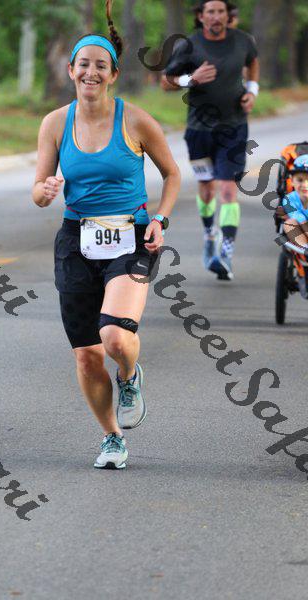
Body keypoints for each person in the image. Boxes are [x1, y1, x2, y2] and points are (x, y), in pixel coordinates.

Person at [32, 0, 180, 469]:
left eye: (101, 65)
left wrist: (160, 219)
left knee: (115, 337)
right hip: (76, 240)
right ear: (70, 70)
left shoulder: (135, 120)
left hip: (131, 236)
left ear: (113, 74)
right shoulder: (55, 123)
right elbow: (38, 191)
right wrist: (46, 190)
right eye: (83, 64)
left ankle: (130, 375)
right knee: (87, 356)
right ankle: (112, 438)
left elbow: (172, 174)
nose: (90, 72)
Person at [161, 0, 260, 281]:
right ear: (201, 16)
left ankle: (225, 254)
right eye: (211, 12)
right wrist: (191, 79)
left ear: (228, 15)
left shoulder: (243, 41)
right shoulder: (189, 46)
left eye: (221, 11)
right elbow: (166, 81)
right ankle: (209, 235)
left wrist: (252, 91)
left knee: (228, 189)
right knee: (206, 189)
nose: (216, 16)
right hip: (199, 131)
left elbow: (253, 62)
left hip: (234, 128)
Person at [282, 155, 308, 247]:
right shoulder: (289, 199)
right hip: (302, 230)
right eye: (300, 180)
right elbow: (299, 218)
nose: (305, 185)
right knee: (289, 223)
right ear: (292, 181)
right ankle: (305, 248)